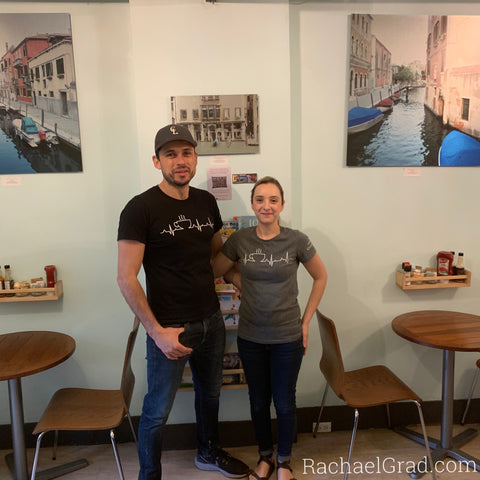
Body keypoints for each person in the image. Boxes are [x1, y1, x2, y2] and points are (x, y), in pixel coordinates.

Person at [117, 124, 251, 480]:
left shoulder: (206, 202)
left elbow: (217, 257)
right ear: (157, 160)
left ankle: (208, 452)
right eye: (170, 154)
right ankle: (150, 474)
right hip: (170, 328)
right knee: (157, 410)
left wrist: (240, 282)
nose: (180, 161)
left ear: (196, 158)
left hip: (211, 319)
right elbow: (126, 277)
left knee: (210, 396)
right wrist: (157, 332)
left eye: (186, 153)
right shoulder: (140, 208)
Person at [212, 176, 327, 480]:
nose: (266, 206)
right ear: (253, 204)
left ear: (281, 205)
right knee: (259, 401)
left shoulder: (297, 240)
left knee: (285, 401)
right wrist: (244, 285)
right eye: (260, 199)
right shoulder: (240, 240)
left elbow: (321, 277)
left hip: (287, 336)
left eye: (273, 200)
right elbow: (217, 271)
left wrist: (305, 322)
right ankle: (266, 458)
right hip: (250, 336)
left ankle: (285, 461)